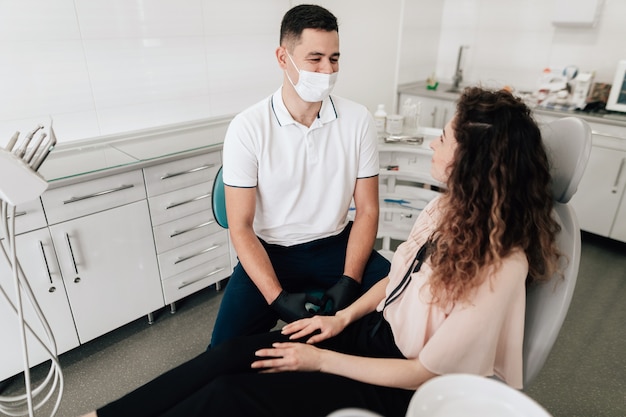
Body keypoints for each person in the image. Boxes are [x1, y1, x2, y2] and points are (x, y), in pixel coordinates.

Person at [81, 86, 562, 417]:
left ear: (472, 163)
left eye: (442, 138)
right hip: (372, 337)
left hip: (401, 387)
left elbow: (423, 373)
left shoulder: (501, 268)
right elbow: (397, 280)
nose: (434, 145)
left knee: (232, 393)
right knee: (234, 352)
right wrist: (342, 319)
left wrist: (322, 360)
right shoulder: (446, 209)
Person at [210, 4, 390, 347]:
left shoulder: (357, 120)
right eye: (315, 58)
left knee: (402, 314)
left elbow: (367, 211)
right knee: (221, 353)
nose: (327, 70)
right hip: (271, 253)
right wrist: (278, 299)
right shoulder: (248, 128)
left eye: (334, 58)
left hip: (337, 246)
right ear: (283, 57)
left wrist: (350, 281)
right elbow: (241, 226)